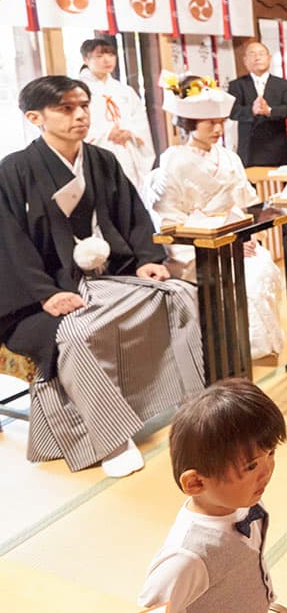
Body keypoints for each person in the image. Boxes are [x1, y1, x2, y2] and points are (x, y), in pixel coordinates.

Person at [0, 75, 203, 475]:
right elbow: (8, 242)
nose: (80, 115)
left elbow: (133, 215)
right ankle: (110, 437)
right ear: (34, 117)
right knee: (75, 335)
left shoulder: (102, 160)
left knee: (180, 294)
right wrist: (45, 294)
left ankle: (193, 404)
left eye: (83, 106)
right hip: (39, 295)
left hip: (108, 277)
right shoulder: (13, 170)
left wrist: (147, 257)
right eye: (66, 108)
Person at [146, 75, 284, 360]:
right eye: (210, 124)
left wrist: (246, 238)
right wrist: (211, 245)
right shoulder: (172, 162)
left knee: (261, 269)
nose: (218, 129)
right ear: (189, 124)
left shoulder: (230, 158)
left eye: (221, 122)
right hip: (198, 248)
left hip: (234, 239)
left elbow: (247, 206)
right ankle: (224, 350)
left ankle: (256, 346)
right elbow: (168, 216)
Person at [138, 378, 287, 613]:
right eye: (251, 466)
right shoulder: (186, 557)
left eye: (270, 452)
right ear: (196, 482)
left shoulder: (242, 502)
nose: (267, 470)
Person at [78, 38, 155, 194]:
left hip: (127, 149)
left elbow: (139, 119)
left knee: (130, 193)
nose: (107, 60)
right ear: (86, 59)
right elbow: (76, 121)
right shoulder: (77, 90)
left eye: (111, 55)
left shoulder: (124, 91)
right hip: (99, 148)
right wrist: (106, 134)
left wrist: (130, 131)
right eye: (99, 56)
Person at [229, 41, 287, 168]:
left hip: (277, 148)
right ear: (245, 61)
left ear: (269, 58)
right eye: (252, 54)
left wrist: (269, 111)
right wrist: (252, 111)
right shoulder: (237, 85)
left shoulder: (283, 84)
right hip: (249, 150)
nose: (257, 57)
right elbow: (233, 112)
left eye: (261, 54)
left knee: (280, 186)